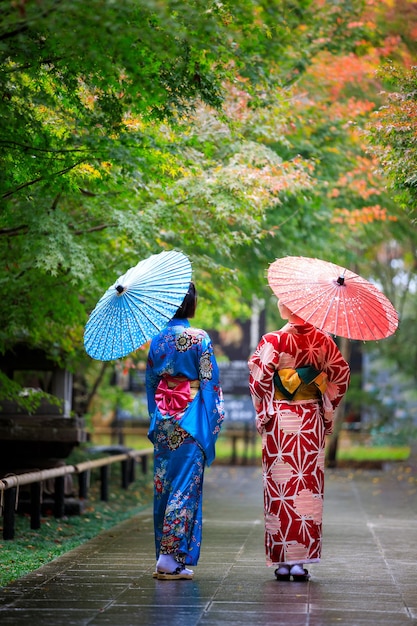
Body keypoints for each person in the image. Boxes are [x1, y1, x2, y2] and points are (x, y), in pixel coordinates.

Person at [248, 300, 350, 582]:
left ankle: (282, 562)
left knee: (280, 485)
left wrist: (264, 409)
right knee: (307, 485)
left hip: (280, 418)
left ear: (285, 308)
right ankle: (300, 562)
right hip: (309, 421)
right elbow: (340, 374)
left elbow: (258, 381)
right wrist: (323, 399)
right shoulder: (323, 341)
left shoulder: (273, 340)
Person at [146, 282, 225, 580]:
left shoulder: (157, 339)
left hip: (164, 419)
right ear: (191, 305)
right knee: (184, 485)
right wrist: (213, 420)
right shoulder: (199, 338)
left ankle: (167, 555)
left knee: (163, 485)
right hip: (189, 419)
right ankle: (169, 557)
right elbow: (210, 383)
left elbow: (151, 384)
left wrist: (156, 416)